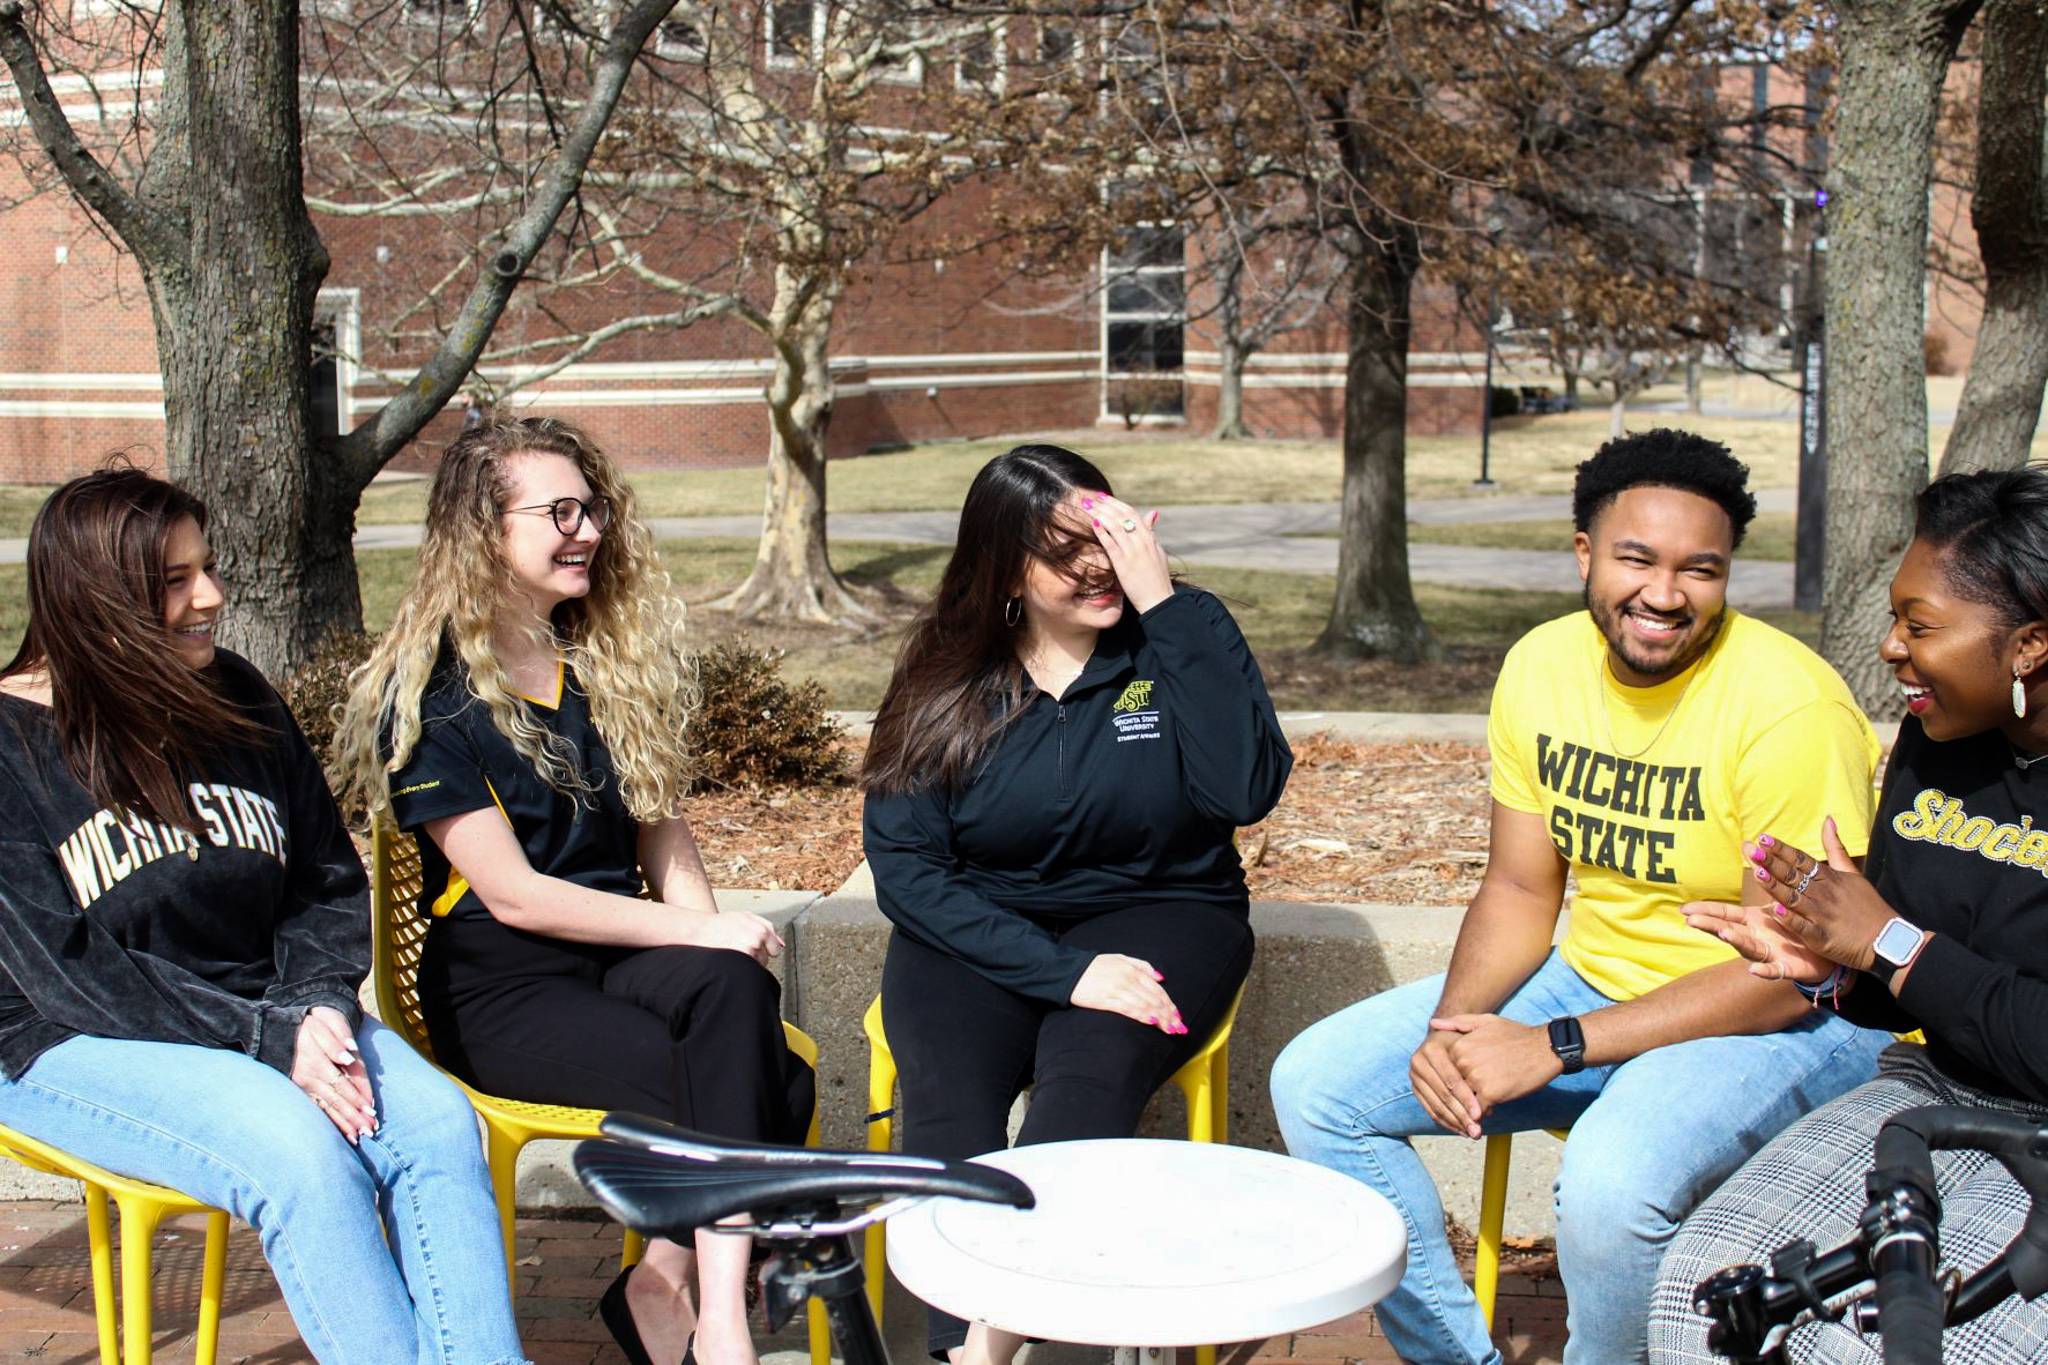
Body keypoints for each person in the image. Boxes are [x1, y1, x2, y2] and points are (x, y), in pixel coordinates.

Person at [1269, 428, 1892, 1365]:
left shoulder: (1791, 710)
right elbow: (1521, 886)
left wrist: (1553, 1047)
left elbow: (1795, 970)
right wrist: (1453, 1029)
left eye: (1701, 569)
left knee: (1610, 1183)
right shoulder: (1541, 666)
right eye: (1637, 557)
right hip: (1597, 984)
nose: (1665, 593)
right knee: (1317, 1087)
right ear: (1585, 554)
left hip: (1779, 1019)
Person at [0, 467, 525, 1365]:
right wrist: (265, 1034)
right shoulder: (9, 747)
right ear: (95, 597)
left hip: (272, 1015)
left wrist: (317, 1001)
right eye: (173, 581)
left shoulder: (234, 691)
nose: (210, 596)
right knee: (302, 1156)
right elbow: (71, 970)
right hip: (69, 1039)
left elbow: (322, 878)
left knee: (437, 1127)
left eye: (206, 568)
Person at [337, 417, 813, 1365]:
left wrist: (706, 929)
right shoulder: (430, 694)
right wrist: (700, 936)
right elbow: (513, 895)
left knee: (733, 994)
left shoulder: (599, 666)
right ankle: (705, 1312)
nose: (586, 528)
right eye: (558, 511)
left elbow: (659, 826)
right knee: (778, 1079)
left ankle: (684, 1299)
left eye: (590, 506)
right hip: (502, 984)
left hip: (616, 957)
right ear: (484, 532)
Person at [862, 443, 1292, 1365]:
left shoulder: (1180, 630)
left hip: (1164, 907)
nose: (1099, 563)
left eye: (1107, 532)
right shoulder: (945, 669)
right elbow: (905, 868)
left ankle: (983, 1348)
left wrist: (1167, 607)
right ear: (1004, 566)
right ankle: (970, 1341)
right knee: (947, 1098)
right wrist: (1063, 970)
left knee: (1086, 1079)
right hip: (982, 922)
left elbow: (1243, 790)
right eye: (1066, 550)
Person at [1649, 466, 2048, 1362]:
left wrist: (1891, 944)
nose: (1891, 647)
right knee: (1705, 1299)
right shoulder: (1939, 736)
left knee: (1909, 1345)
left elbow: (1916, 953)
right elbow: (1911, 981)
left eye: (1921, 625)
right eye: (1895, 617)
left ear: (2030, 645)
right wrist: (1833, 967)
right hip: (1935, 1085)